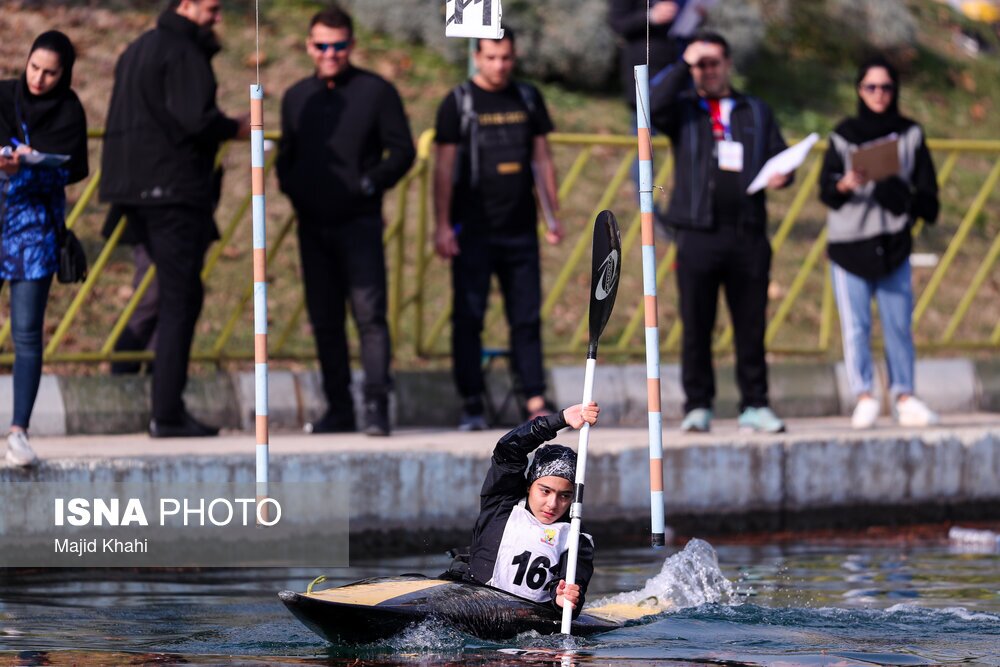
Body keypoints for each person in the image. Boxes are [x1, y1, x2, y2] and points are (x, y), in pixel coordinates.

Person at [100, 0, 250, 438]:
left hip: (133, 188)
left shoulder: (138, 47)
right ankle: (167, 412)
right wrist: (234, 128)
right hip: (171, 192)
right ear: (186, 5)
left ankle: (134, 380)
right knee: (181, 298)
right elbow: (195, 118)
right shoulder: (183, 52)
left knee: (161, 294)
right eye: (211, 8)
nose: (217, 17)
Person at [277, 6, 415, 437]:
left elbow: (402, 151)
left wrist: (369, 184)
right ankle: (339, 408)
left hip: (359, 223)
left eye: (338, 45)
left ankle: (376, 406)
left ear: (351, 45)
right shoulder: (296, 96)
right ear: (309, 46)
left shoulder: (376, 91)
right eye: (321, 45)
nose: (330, 53)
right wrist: (295, 188)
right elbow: (286, 156)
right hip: (312, 225)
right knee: (324, 319)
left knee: (370, 315)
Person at [650, 31, 792, 434]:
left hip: (747, 233)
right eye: (700, 64)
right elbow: (652, 108)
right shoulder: (685, 109)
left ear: (728, 63)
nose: (707, 71)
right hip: (697, 233)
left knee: (751, 324)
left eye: (713, 63)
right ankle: (698, 404)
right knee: (696, 322)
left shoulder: (755, 110)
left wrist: (784, 174)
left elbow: (781, 155)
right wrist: (683, 65)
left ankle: (755, 403)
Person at [433, 30, 562, 431]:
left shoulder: (528, 97)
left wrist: (552, 215)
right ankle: (471, 401)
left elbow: (542, 159)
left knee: (526, 317)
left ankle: (535, 398)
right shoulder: (458, 102)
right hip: (473, 229)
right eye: (490, 57)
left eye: (505, 57)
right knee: (469, 317)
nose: (499, 65)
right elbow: (443, 168)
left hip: (519, 229)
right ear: (476, 56)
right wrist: (442, 225)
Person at [819, 56, 940, 429]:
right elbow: (826, 190)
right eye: (871, 87)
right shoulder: (844, 134)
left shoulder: (910, 134)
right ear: (859, 90)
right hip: (849, 244)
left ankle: (904, 395)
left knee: (898, 324)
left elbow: (929, 197)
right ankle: (864, 395)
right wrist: (845, 184)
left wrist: (899, 194)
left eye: (886, 87)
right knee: (856, 327)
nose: (879, 94)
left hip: (893, 245)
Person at [0, 31, 88, 466]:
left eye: (51, 72)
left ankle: (19, 431)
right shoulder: (4, 96)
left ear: (64, 74)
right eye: (34, 67)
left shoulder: (69, 110)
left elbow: (71, 169)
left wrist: (29, 165)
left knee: (27, 333)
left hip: (33, 231)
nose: (38, 78)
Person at [448, 402, 599, 615]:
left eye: (564, 496)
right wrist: (560, 419)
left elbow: (571, 591)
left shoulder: (576, 539)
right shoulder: (501, 503)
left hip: (525, 622)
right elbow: (508, 449)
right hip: (468, 599)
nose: (553, 504)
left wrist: (564, 599)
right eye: (545, 491)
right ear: (529, 487)